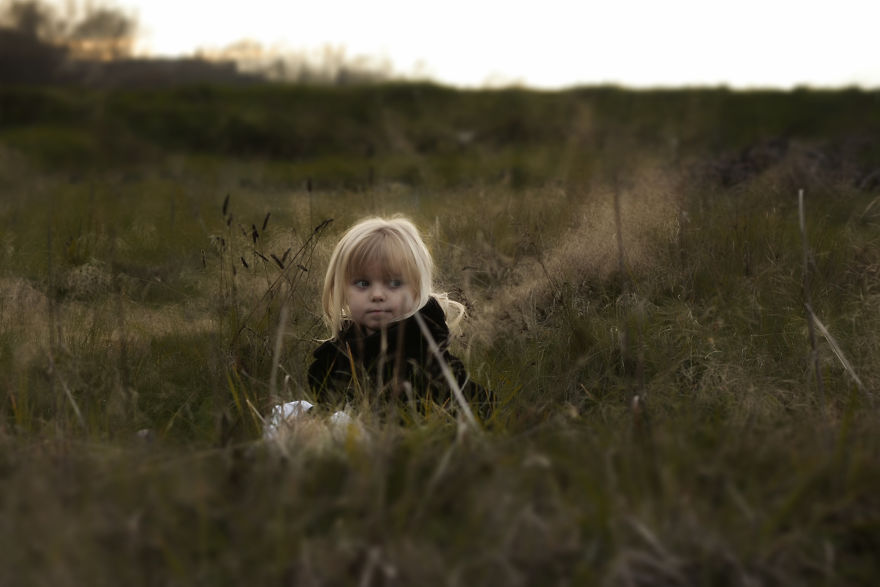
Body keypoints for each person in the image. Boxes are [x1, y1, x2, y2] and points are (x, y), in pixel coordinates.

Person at [306, 215, 490, 419]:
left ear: (416, 291)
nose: (377, 295)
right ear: (341, 289)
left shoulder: (422, 351)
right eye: (363, 284)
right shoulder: (338, 354)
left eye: (394, 284)